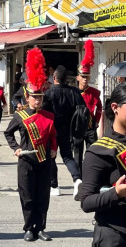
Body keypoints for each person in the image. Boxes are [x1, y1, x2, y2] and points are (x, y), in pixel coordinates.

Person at [4, 48, 57, 242]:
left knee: (43, 196)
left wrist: (53, 149)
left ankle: (41, 227)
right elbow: (8, 132)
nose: (37, 100)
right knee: (27, 196)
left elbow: (53, 136)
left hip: (44, 161)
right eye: (34, 97)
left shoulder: (49, 116)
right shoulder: (20, 116)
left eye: (40, 97)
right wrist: (15, 147)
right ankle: (28, 228)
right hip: (26, 161)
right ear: (27, 97)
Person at [81, 83, 126, 246]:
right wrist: (117, 193)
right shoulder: (99, 151)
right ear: (115, 107)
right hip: (114, 234)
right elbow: (86, 202)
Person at [43, 64, 85, 200]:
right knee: (67, 156)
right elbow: (83, 109)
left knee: (51, 157)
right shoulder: (74, 91)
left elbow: (43, 112)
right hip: (68, 129)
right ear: (66, 79)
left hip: (51, 129)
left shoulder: (48, 92)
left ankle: (54, 186)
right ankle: (77, 179)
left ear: (54, 77)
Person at [74, 40, 102, 173]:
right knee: (77, 154)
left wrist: (96, 121)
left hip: (90, 127)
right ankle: (78, 176)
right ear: (78, 77)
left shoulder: (94, 93)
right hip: (78, 127)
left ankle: (89, 172)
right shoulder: (72, 92)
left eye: (87, 77)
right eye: (83, 76)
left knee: (91, 153)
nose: (85, 79)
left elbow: (100, 108)